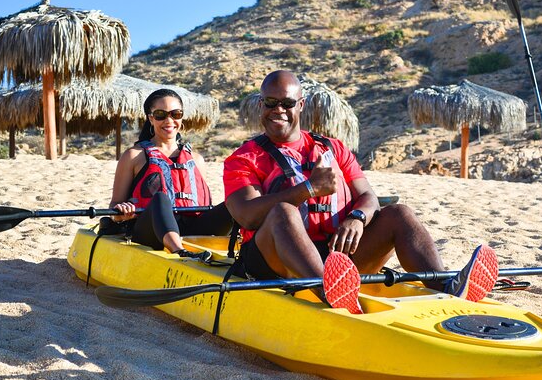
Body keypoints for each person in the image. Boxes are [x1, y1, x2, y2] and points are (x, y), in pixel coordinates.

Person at [223, 70, 498, 311]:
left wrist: (357, 217)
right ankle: (329, 292)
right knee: (283, 212)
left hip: (335, 253)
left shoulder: (332, 147)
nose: (278, 109)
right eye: (271, 102)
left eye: (287, 103)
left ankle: (445, 287)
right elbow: (246, 215)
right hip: (273, 258)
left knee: (399, 214)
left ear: (301, 105)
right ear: (261, 104)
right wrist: (308, 189)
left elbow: (368, 197)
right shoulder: (244, 158)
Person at [110, 88, 232, 256]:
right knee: (160, 198)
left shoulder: (196, 159)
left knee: (234, 203)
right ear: (150, 118)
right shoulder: (134, 156)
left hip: (193, 230)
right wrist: (120, 214)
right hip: (151, 231)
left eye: (175, 114)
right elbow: (114, 206)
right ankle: (181, 252)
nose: (169, 120)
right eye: (161, 114)